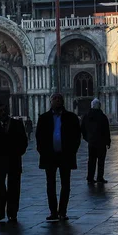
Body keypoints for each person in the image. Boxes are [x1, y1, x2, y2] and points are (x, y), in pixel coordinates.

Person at [36, 93, 81, 222]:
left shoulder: (71, 117)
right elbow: (39, 137)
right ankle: (53, 212)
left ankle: (62, 212)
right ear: (50, 101)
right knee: (50, 185)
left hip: (65, 155)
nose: (57, 101)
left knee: (65, 184)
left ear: (63, 101)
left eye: (59, 99)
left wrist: (72, 151)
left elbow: (77, 136)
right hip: (49, 156)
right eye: (54, 99)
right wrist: (42, 151)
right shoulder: (43, 118)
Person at [0, 103, 28, 222]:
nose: (3, 113)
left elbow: (23, 141)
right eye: (0, 111)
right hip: (0, 161)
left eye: (4, 110)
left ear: (8, 111)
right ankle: (0, 212)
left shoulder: (17, 124)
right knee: (0, 187)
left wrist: (18, 153)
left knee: (14, 187)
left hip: (14, 160)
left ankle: (12, 212)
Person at [81, 98, 111, 184]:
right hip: (101, 142)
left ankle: (90, 177)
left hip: (92, 142)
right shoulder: (103, 116)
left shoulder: (86, 116)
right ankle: (100, 177)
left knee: (91, 160)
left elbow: (82, 128)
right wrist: (108, 142)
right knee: (101, 161)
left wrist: (87, 138)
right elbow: (106, 130)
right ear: (99, 106)